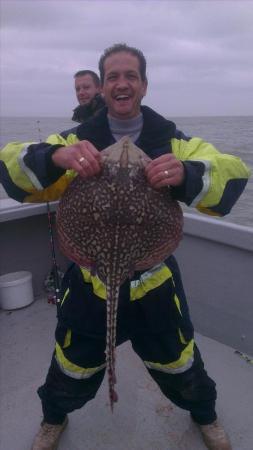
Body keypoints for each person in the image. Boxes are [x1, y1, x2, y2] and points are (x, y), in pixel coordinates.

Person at [0, 44, 250, 450]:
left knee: (182, 363)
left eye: (130, 75)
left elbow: (232, 176)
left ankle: (205, 415)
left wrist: (185, 173)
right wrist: (58, 156)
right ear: (102, 89)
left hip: (154, 282)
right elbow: (11, 166)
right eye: (113, 76)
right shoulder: (76, 138)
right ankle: (53, 418)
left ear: (144, 86)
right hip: (89, 282)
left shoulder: (172, 139)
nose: (122, 82)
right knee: (70, 366)